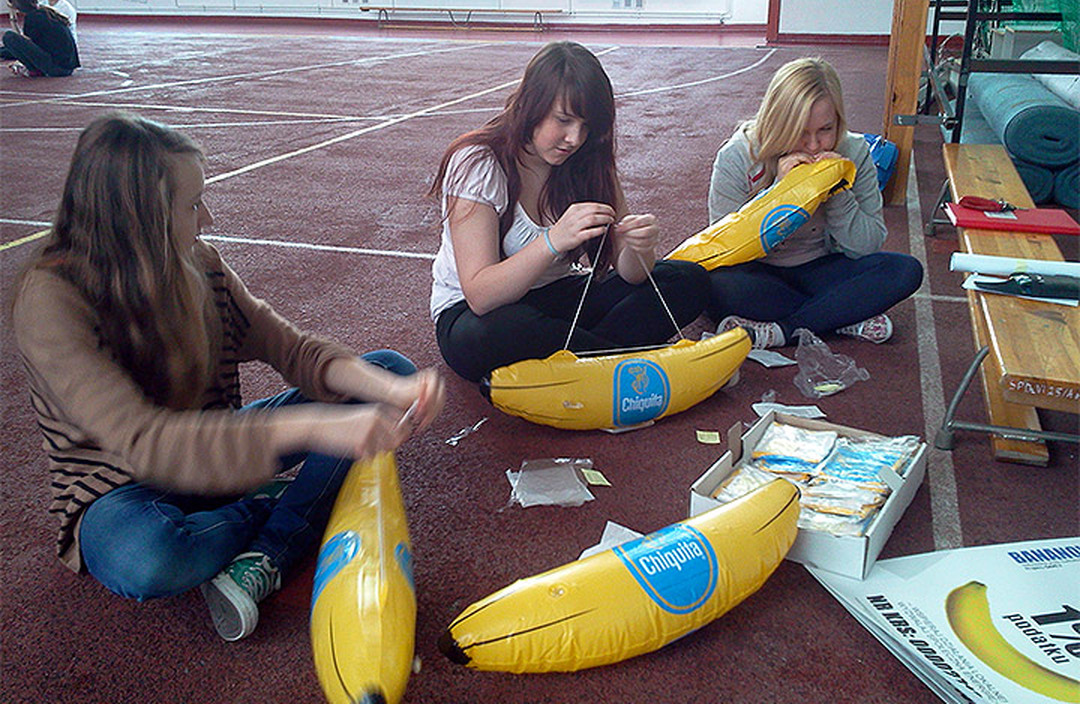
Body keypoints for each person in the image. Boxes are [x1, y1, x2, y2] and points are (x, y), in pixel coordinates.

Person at [12, 113, 445, 642]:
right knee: (149, 558)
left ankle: (262, 546)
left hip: (216, 451)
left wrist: (394, 390)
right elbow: (144, 442)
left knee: (387, 368)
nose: (208, 218)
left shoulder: (199, 263)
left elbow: (290, 347)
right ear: (139, 217)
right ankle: (275, 516)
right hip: (121, 489)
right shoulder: (51, 301)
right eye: (193, 204)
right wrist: (316, 429)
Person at [429, 41, 709, 383]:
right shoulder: (478, 162)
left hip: (557, 299)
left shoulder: (589, 161)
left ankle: (584, 365)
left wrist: (640, 247)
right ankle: (631, 365)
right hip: (478, 315)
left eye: (586, 126)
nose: (574, 138)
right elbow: (481, 296)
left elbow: (631, 275)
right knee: (498, 332)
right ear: (532, 105)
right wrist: (553, 240)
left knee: (686, 280)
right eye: (563, 120)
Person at [705, 57, 923, 349]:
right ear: (776, 123)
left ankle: (783, 330)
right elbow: (724, 248)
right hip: (759, 272)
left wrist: (838, 193)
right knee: (714, 284)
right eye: (800, 132)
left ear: (839, 122)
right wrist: (780, 195)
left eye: (825, 130)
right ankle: (838, 315)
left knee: (905, 271)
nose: (813, 145)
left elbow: (867, 246)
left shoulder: (854, 152)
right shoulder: (738, 156)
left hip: (822, 267)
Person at [2, 0, 78, 77]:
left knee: (9, 37)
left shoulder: (33, 17)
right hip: (66, 65)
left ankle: (34, 69)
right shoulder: (44, 11)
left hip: (58, 68)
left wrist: (13, 19)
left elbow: (24, 46)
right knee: (8, 46)